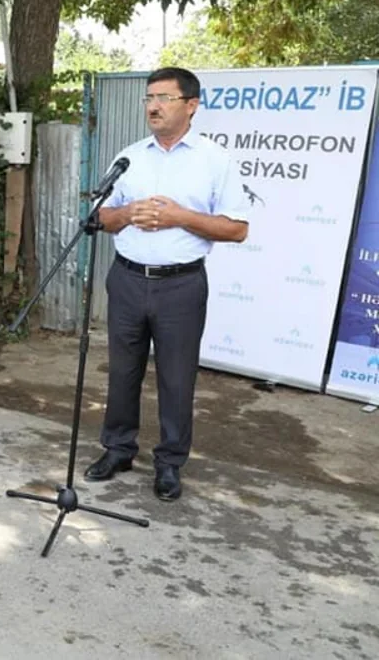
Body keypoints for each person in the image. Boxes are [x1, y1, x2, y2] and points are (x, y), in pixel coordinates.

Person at [83, 67, 250, 502]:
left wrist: (180, 217)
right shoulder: (130, 156)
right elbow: (100, 216)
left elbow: (236, 229)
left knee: (176, 380)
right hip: (127, 279)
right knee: (122, 372)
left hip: (181, 287)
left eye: (164, 98)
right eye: (148, 98)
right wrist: (125, 215)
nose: (153, 106)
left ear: (191, 106)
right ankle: (117, 449)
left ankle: (170, 464)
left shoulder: (215, 160)